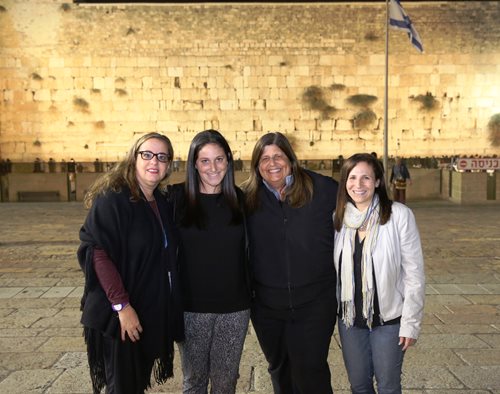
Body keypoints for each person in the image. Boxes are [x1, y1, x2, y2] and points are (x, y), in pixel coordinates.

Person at [77, 132, 183, 394]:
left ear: (169, 164)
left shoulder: (159, 200)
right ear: (133, 158)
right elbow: (98, 253)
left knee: (134, 385)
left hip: (148, 311)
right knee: (122, 387)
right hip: (121, 315)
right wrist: (122, 306)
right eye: (146, 154)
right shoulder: (113, 198)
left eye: (161, 157)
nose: (153, 162)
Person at [242, 132, 338, 394]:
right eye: (264, 158)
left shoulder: (323, 189)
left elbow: (361, 206)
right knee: (279, 368)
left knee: (311, 369)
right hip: (267, 307)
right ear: (256, 165)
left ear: (290, 159)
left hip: (315, 302)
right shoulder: (246, 198)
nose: (272, 163)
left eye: (278, 156)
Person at [333, 153, 425, 394]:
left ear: (377, 182)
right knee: (359, 386)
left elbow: (414, 274)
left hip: (389, 321)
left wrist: (410, 324)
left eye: (366, 177)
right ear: (345, 183)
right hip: (351, 321)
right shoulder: (339, 219)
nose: (358, 184)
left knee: (388, 387)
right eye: (352, 178)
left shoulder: (398, 216)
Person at [168, 129, 251, 394]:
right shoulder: (175, 199)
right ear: (194, 163)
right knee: (194, 382)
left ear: (228, 160)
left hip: (235, 309)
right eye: (205, 161)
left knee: (226, 382)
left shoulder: (241, 201)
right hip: (191, 309)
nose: (213, 167)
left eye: (219, 159)